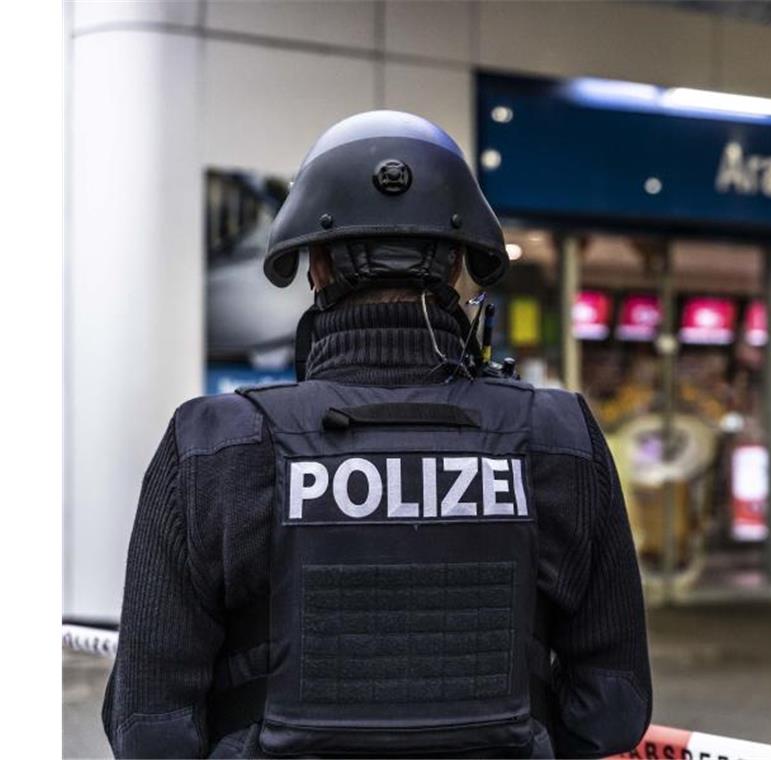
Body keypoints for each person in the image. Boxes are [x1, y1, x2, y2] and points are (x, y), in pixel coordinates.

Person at [101, 111, 651, 759]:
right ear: (457, 269)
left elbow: (150, 728)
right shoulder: (560, 439)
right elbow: (613, 708)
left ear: (319, 268)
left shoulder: (214, 445)